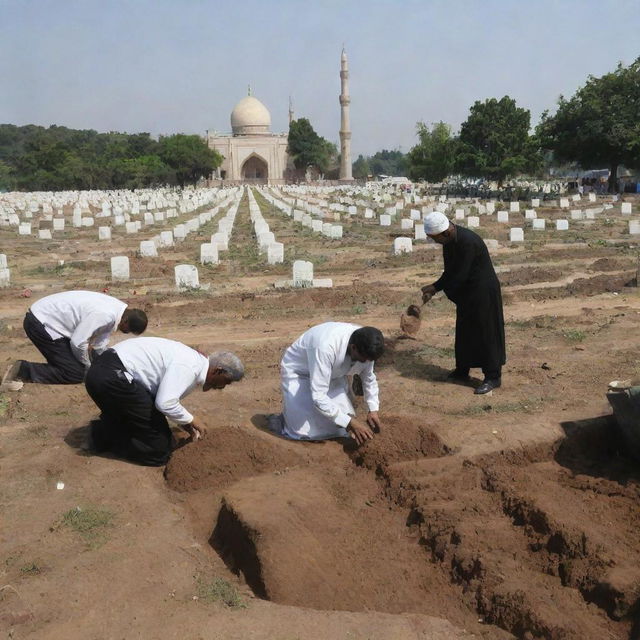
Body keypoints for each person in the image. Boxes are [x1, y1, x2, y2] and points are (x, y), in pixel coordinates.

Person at [84, 337, 244, 466]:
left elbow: (162, 401)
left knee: (150, 420)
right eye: (226, 381)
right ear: (218, 371)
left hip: (105, 372)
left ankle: (106, 429)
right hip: (113, 377)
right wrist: (193, 420)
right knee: (159, 451)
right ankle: (103, 436)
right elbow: (164, 403)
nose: (222, 387)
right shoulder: (191, 367)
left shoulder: (194, 361)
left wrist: (185, 423)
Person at [421, 212, 505, 395]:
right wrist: (434, 287)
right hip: (468, 291)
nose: (435, 242)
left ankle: (493, 376)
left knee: (486, 332)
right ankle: (462, 370)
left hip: (483, 291)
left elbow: (460, 274)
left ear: (445, 232)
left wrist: (436, 288)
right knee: (465, 331)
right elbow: (450, 271)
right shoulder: (449, 241)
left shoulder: (468, 241)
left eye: (435, 238)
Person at [269, 322, 384, 445]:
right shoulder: (325, 347)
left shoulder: (367, 345)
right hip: (300, 372)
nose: (364, 362)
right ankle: (281, 421)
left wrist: (373, 409)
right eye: (362, 359)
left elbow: (369, 378)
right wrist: (350, 422)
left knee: (338, 429)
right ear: (353, 347)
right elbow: (319, 396)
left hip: (332, 374)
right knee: (303, 432)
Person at [8, 290, 147, 385]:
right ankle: (22, 370)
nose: (125, 333)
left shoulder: (117, 310)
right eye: (127, 331)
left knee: (79, 363)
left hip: (49, 319)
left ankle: (63, 365)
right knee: (75, 373)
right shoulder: (106, 315)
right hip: (42, 323)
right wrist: (87, 367)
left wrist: (107, 367)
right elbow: (78, 342)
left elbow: (99, 345)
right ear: (126, 322)